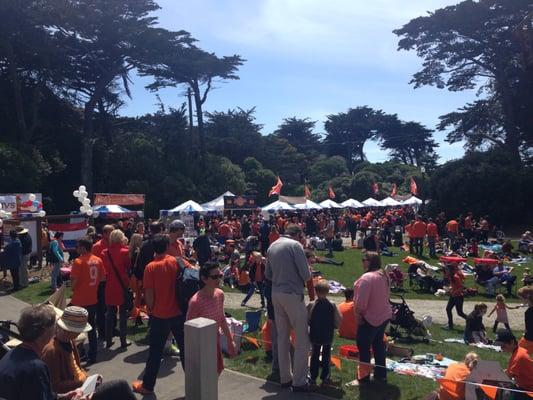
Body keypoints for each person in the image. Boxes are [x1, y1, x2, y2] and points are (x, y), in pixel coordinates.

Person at [132, 234, 186, 396]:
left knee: (155, 352)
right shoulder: (176, 261)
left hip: (159, 315)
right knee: (185, 350)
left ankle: (148, 386)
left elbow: (149, 294)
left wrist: (151, 309)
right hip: (178, 312)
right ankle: (194, 382)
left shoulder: (151, 267)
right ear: (167, 246)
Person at [0, 304, 85, 400]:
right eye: (54, 325)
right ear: (45, 331)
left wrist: (63, 397)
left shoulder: (11, 354)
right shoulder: (35, 367)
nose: (57, 328)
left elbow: (43, 394)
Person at [265, 224, 311, 392]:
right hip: (292, 293)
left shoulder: (272, 245)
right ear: (297, 234)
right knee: (301, 337)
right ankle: (299, 381)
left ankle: (286, 377)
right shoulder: (295, 246)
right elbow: (306, 275)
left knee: (282, 337)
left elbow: (267, 275)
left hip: (276, 293)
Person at [186, 262, 236, 376]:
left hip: (215, 342)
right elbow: (188, 329)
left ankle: (211, 394)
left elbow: (222, 319)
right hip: (201, 346)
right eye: (214, 277)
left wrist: (230, 340)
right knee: (204, 377)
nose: (218, 279)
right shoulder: (195, 302)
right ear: (204, 279)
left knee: (215, 374)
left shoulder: (220, 294)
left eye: (220, 275)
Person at [351, 251, 392, 386]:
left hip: (370, 318)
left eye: (364, 259)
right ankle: (381, 375)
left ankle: (363, 378)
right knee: (378, 345)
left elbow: (360, 303)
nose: (362, 262)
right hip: (383, 315)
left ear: (370, 262)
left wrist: (358, 317)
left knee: (363, 347)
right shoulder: (383, 275)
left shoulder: (366, 278)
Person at [70, 237, 105, 363]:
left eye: (78, 246)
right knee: (91, 327)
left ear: (83, 247)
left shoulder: (78, 261)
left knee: (75, 329)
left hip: (79, 299)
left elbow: (73, 283)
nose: (76, 249)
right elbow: (102, 279)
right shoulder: (98, 260)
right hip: (92, 298)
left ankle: (79, 353)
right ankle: (93, 355)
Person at [42, 306, 93, 393]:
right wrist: (81, 383)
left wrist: (90, 378)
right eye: (79, 330)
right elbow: (54, 387)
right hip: (72, 394)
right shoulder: (52, 351)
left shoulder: (70, 341)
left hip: (82, 387)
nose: (81, 332)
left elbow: (77, 369)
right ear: (69, 330)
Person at [307, 279, 342, 388]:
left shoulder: (312, 304)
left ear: (316, 291)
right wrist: (335, 326)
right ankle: (325, 378)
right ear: (327, 292)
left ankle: (313, 377)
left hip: (315, 334)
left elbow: (307, 318)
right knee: (326, 356)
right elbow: (338, 319)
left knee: (314, 355)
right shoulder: (332, 305)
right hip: (327, 334)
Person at [101, 229, 131, 349]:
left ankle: (108, 340)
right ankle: (123, 340)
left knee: (109, 314)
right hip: (122, 284)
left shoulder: (104, 252)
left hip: (109, 285)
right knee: (123, 314)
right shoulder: (125, 251)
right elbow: (128, 267)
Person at [494, 330, 533, 399]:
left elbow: (506, 379)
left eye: (503, 346)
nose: (501, 348)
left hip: (529, 391)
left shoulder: (518, 357)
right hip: (524, 387)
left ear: (511, 342)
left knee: (505, 394)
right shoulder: (518, 351)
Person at [92, 225, 114, 338]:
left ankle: (112, 329)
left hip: (112, 280)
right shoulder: (97, 247)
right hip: (101, 281)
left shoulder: (113, 245)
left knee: (111, 306)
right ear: (104, 233)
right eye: (111, 232)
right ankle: (102, 331)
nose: (113, 234)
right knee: (101, 307)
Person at [443, 260, 467, 330]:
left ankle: (471, 321)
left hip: (458, 297)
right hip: (453, 296)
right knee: (448, 309)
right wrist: (450, 289)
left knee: (460, 313)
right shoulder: (451, 277)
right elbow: (454, 286)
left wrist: (454, 292)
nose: (446, 271)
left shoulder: (456, 277)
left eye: (447, 270)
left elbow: (461, 287)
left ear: (450, 270)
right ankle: (450, 325)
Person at [517, 286, 533, 354]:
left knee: (517, 352)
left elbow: (529, 328)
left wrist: (526, 335)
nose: (521, 300)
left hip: (529, 339)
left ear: (527, 298)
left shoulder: (529, 312)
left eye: (521, 298)